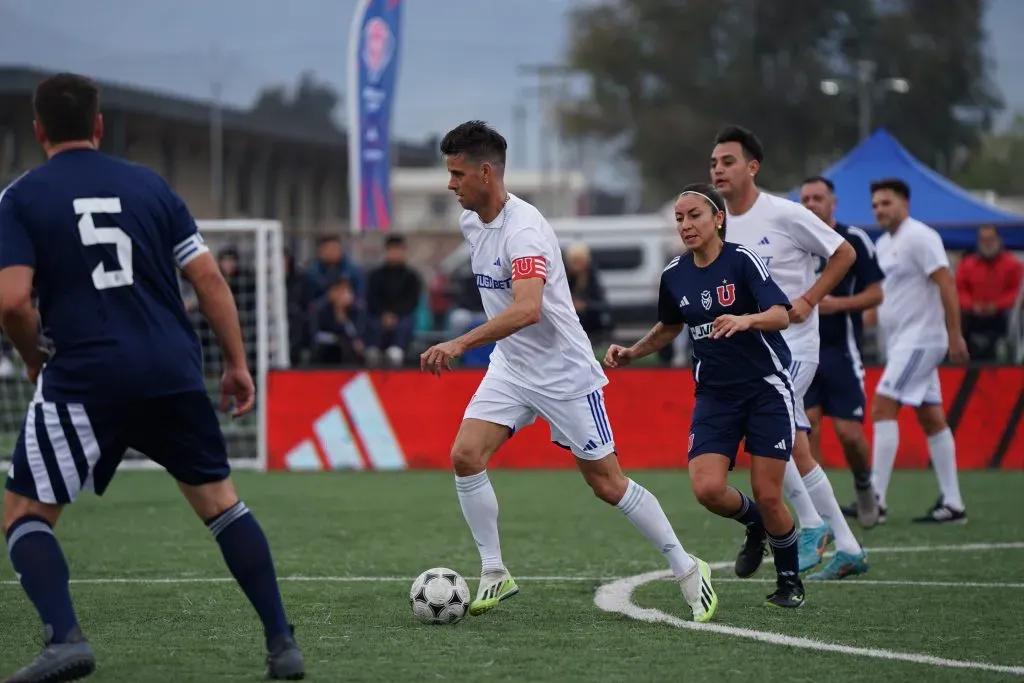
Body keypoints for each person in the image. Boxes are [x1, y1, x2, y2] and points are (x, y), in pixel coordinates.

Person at [0, 73, 304, 682]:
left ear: (37, 131)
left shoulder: (21, 198)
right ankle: (281, 643)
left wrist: (34, 356)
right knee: (222, 505)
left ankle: (65, 639)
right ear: (99, 124)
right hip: (171, 369)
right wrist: (238, 363)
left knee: (24, 514)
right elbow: (210, 280)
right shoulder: (149, 186)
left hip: (84, 376)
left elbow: (11, 302)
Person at [420, 121, 718, 623]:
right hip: (512, 368)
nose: (450, 185)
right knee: (466, 456)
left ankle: (688, 568)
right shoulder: (472, 224)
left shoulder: (526, 230)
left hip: (564, 376)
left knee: (608, 485)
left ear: (485, 172)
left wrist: (459, 341)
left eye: (456, 174)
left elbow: (527, 309)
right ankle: (494, 571)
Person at [606, 184, 804, 607]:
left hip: (765, 389)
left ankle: (790, 583)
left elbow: (781, 315)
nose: (686, 224)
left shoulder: (742, 260)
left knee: (770, 494)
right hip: (715, 396)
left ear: (718, 219)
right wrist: (632, 352)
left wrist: (745, 320)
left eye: (694, 215)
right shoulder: (674, 274)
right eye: (679, 218)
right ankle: (756, 526)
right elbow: (669, 326)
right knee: (708, 489)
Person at [710, 126, 869, 580]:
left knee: (767, 431)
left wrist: (808, 300)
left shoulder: (785, 214)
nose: (718, 169)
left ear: (752, 167)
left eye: (728, 161)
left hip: (795, 348)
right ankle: (847, 545)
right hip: (754, 354)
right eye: (714, 164)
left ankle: (814, 526)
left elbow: (844, 253)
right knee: (795, 444)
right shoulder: (720, 222)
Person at [867, 178, 969, 524]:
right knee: (931, 417)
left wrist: (955, 335)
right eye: (876, 205)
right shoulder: (882, 245)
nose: (880, 209)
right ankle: (953, 504)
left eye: (886, 203)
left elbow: (946, 284)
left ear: (904, 205)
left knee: (883, 407)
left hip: (921, 338)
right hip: (901, 342)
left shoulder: (921, 237)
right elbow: (884, 299)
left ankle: (875, 500)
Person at [798, 176, 885, 534]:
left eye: (818, 198)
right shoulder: (794, 238)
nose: (811, 204)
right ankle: (820, 514)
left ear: (833, 203)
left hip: (842, 351)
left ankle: (864, 485)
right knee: (807, 427)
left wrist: (836, 304)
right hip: (803, 349)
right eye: (805, 199)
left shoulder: (854, 240)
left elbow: (876, 294)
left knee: (850, 434)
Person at [955, 225, 1023, 361]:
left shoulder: (1013, 265)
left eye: (990, 239)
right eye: (983, 239)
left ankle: (1012, 359)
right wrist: (972, 305)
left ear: (999, 240)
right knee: (956, 316)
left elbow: (1018, 291)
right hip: (973, 314)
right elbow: (958, 289)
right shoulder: (966, 265)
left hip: (1002, 315)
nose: (987, 243)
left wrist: (997, 305)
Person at [364, 234, 422, 367]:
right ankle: (373, 352)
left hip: (402, 316)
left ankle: (397, 351)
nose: (396, 253)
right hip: (379, 316)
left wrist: (395, 314)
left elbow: (412, 301)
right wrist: (384, 314)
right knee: (372, 322)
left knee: (406, 323)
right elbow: (371, 298)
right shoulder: (375, 275)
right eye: (392, 250)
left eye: (399, 250)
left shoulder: (411, 276)